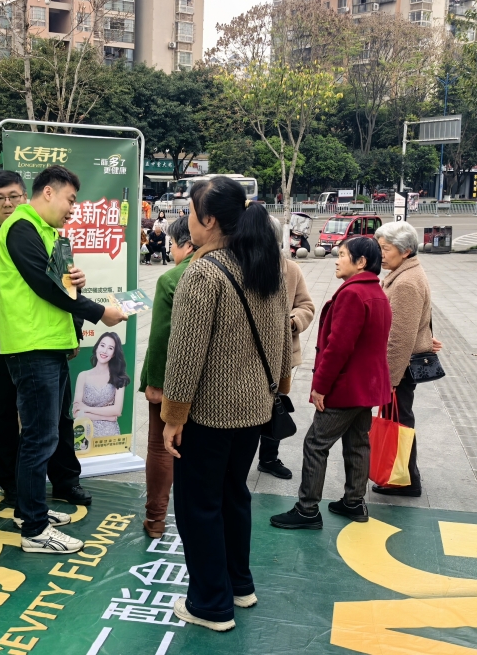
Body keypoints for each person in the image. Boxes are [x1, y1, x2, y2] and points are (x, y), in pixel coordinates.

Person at [161, 177, 291, 632]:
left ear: (210, 220)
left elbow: (185, 356)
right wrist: (279, 386)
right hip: (255, 410)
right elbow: (282, 337)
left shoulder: (203, 272)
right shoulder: (264, 263)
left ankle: (210, 604)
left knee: (198, 506)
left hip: (209, 415)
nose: (187, 220)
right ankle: (239, 585)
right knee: (234, 496)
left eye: (191, 212)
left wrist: (173, 416)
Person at [0, 165, 126, 554]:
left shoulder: (48, 233)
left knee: (45, 433)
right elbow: (46, 287)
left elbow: (60, 287)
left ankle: (28, 510)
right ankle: (35, 531)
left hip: (49, 343)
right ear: (48, 192)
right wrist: (100, 313)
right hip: (32, 346)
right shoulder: (22, 228)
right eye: (70, 199)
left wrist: (76, 289)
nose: (72, 208)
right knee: (41, 437)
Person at [0, 170, 90, 510]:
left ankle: (65, 480)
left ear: (26, 196)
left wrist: (73, 328)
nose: (7, 203)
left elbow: (61, 286)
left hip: (40, 339)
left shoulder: (46, 231)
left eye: (14, 196)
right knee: (1, 416)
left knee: (56, 417)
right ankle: (13, 487)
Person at [270, 237, 392, 531]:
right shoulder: (376, 292)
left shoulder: (353, 294)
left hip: (346, 387)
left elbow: (338, 348)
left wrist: (321, 387)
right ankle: (354, 501)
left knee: (316, 444)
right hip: (367, 386)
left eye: (344, 255)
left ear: (361, 262)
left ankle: (307, 509)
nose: (337, 260)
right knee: (357, 442)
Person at [139, 216, 196, 538]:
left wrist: (155, 384)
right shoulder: (231, 271)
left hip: (173, 382)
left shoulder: (172, 278)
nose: (171, 250)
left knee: (161, 447)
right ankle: (197, 518)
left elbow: (162, 336)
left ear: (186, 244)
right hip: (210, 384)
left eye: (172, 244)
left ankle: (156, 519)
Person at [371, 221, 435, 498]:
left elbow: (399, 338)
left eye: (386, 249)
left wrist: (390, 380)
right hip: (402, 366)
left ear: (405, 251)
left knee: (399, 422)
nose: (381, 254)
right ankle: (401, 476)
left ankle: (407, 480)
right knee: (399, 420)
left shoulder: (406, 282)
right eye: (380, 248)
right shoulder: (404, 274)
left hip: (401, 368)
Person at [256, 218, 315, 481]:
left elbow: (306, 306)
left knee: (276, 404)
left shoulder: (290, 269)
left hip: (281, 354)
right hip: (247, 354)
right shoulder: (240, 267)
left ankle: (269, 458)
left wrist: (292, 322)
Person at [72, 333, 129, 437]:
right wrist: (107, 417)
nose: (105, 351)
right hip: (84, 434)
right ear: (97, 347)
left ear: (114, 354)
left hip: (110, 434)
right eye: (102, 345)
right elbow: (76, 413)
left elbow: (117, 410)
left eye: (110, 348)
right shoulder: (83, 376)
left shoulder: (118, 377)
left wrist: (87, 409)